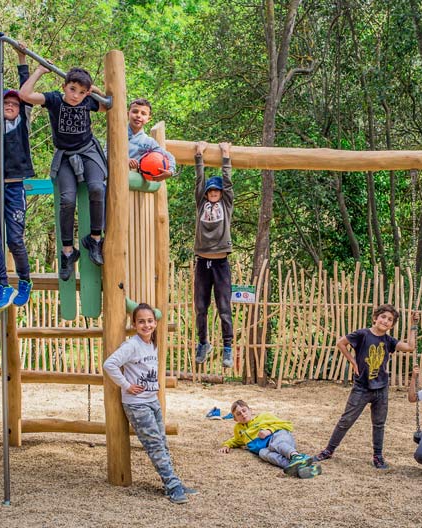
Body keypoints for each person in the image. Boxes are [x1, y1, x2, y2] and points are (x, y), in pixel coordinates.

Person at [102, 303, 197, 505]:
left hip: (152, 401)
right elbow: (109, 364)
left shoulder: (151, 343)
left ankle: (174, 481)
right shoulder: (131, 345)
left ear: (155, 322)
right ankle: (172, 487)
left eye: (150, 321)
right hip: (137, 404)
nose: (147, 325)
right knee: (154, 445)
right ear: (134, 324)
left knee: (162, 443)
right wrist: (126, 385)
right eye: (142, 321)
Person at [19, 64, 107, 276]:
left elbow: (106, 107)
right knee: (67, 200)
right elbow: (24, 95)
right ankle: (68, 251)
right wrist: (40, 71)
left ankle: (95, 239)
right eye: (73, 89)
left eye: (82, 92)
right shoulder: (54, 100)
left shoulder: (87, 101)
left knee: (97, 188)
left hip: (87, 151)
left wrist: (96, 92)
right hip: (65, 155)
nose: (76, 96)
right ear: (64, 86)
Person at [314, 305, 419, 469]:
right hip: (362, 387)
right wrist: (353, 361)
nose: (385, 321)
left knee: (379, 423)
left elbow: (410, 347)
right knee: (346, 420)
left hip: (381, 388)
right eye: (383, 317)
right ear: (375, 318)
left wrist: (413, 325)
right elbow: (341, 343)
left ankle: (378, 456)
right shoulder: (362, 334)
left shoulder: (389, 341)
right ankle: (329, 450)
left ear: (392, 325)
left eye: (390, 320)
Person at [0, 42, 34, 311]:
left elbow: (26, 92)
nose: (11, 105)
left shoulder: (22, 121)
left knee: (14, 239)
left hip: (14, 188)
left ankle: (25, 280)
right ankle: (2, 284)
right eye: (7, 102)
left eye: (15, 103)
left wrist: (21, 57)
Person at [192, 141, 235, 368]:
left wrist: (225, 155)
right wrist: (199, 157)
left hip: (221, 263)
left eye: (217, 190)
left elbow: (228, 184)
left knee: (224, 307)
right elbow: (199, 182)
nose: (214, 193)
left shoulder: (226, 204)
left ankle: (228, 347)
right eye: (211, 191)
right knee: (201, 307)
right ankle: (203, 343)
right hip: (202, 262)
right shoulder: (201, 204)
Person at [218, 400, 320, 479]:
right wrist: (226, 445)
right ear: (235, 419)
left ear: (250, 410)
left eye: (244, 410)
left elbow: (287, 425)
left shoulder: (264, 417)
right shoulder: (239, 430)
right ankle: (298, 468)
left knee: (274, 444)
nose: (243, 414)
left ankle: (296, 456)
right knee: (263, 453)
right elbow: (235, 440)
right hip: (267, 448)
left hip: (279, 437)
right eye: (238, 414)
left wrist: (269, 431)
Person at [127, 98, 175, 180]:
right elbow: (106, 154)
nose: (138, 115)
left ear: (148, 119)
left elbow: (169, 156)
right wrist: (124, 160)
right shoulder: (117, 133)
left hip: (133, 184)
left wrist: (170, 171)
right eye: (135, 111)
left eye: (143, 113)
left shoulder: (148, 142)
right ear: (128, 114)